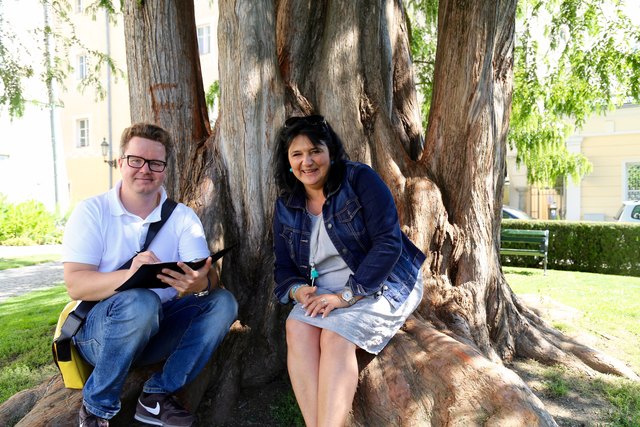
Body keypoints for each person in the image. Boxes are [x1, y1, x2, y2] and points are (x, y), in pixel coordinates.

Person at [62, 123, 238, 427]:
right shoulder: (92, 211)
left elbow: (208, 278)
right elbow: (76, 285)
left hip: (157, 330)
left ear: (165, 169)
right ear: (121, 163)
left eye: (155, 163)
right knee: (141, 301)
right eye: (136, 160)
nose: (145, 169)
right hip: (100, 336)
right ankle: (96, 409)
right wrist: (131, 275)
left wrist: (200, 283)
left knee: (223, 302)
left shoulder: (182, 217)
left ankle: (157, 396)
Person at [271, 114, 426, 426]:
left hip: (381, 282)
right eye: (297, 154)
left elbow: (388, 243)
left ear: (330, 151)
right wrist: (297, 290)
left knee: (335, 337)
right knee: (297, 327)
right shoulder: (287, 204)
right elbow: (284, 267)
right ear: (288, 162)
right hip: (326, 291)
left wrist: (348, 295)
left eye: (315, 150)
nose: (307, 162)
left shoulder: (359, 179)